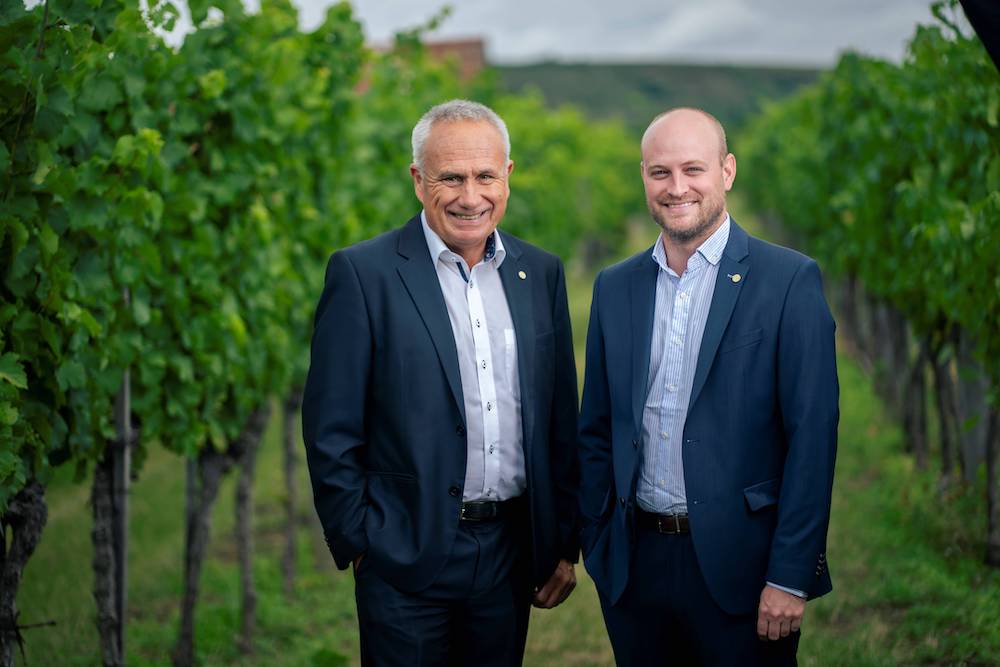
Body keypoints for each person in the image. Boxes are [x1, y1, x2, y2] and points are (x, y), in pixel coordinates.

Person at [302, 99, 579, 667]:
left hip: (509, 554)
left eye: (485, 176)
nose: (470, 196)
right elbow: (330, 427)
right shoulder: (364, 274)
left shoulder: (540, 273)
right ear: (417, 179)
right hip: (403, 552)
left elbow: (557, 420)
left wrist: (561, 542)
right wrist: (360, 543)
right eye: (450, 178)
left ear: (508, 175)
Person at [578, 107, 839, 666]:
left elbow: (812, 439)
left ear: (727, 170)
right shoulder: (614, 286)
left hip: (744, 568)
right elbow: (597, 426)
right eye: (660, 172)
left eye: (692, 169)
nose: (677, 188)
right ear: (644, 177)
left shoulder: (788, 281)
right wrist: (598, 543)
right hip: (636, 568)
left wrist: (790, 575)